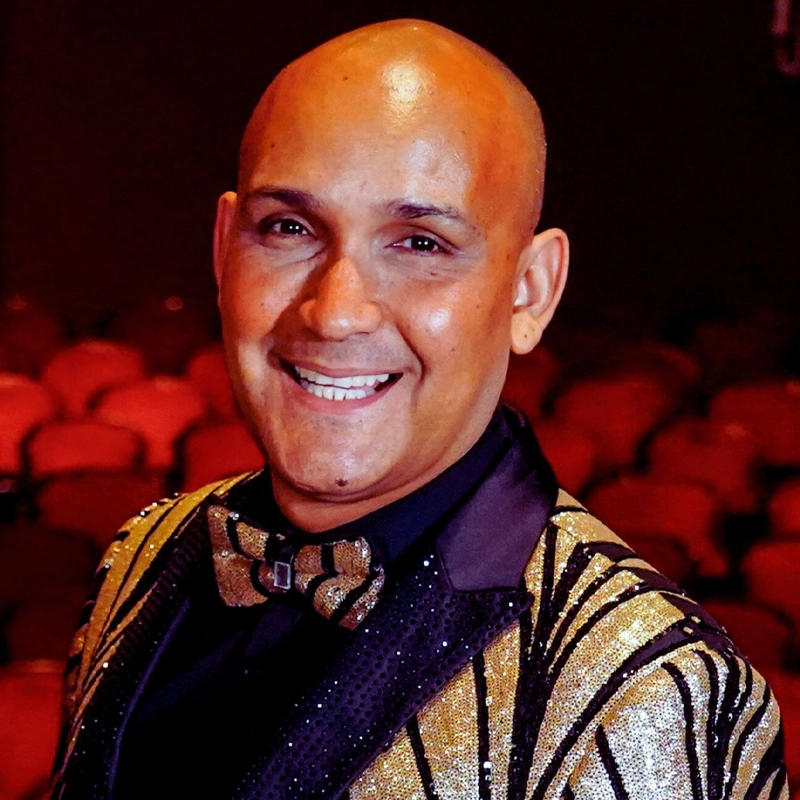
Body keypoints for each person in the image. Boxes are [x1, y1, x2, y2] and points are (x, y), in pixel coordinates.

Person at [51, 19, 787, 800]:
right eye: (290, 229)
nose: (335, 313)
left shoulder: (652, 691)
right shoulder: (141, 554)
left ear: (528, 291)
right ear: (224, 248)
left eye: (421, 243)